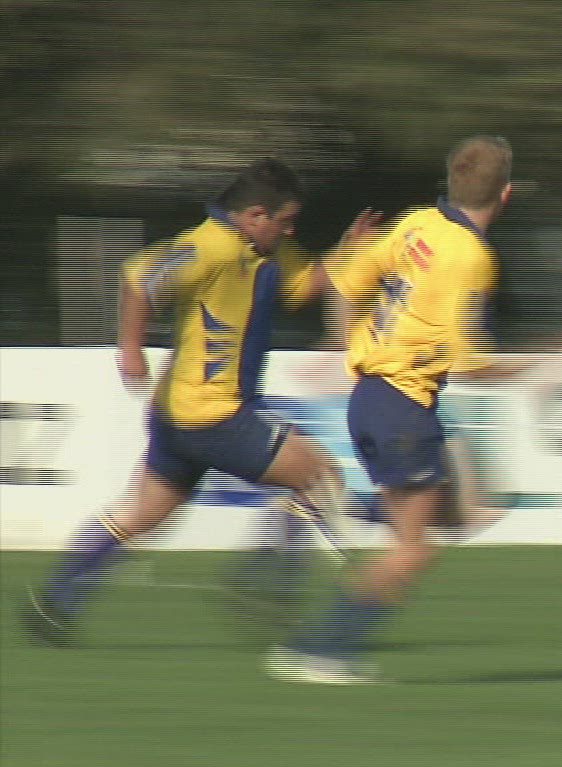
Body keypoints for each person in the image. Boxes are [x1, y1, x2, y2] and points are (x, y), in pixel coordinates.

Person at [21, 158, 374, 647]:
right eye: (286, 221)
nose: (291, 230)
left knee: (142, 513)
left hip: (177, 417)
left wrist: (347, 250)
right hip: (214, 415)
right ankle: (261, 582)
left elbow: (304, 287)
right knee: (320, 475)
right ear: (255, 215)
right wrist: (130, 348)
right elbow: (139, 278)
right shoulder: (211, 246)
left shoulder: (264, 250)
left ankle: (56, 599)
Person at [269, 135, 560, 684]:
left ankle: (343, 521)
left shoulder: (416, 223)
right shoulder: (472, 258)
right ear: (506, 194)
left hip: (368, 398)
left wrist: (348, 322)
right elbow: (470, 362)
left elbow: (341, 282)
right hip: (404, 405)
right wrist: (540, 366)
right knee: (412, 550)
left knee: (444, 520)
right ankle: (323, 650)